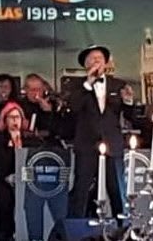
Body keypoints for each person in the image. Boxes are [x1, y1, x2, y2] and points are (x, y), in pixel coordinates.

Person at [67, 45, 135, 219]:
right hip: (86, 146)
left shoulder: (118, 85)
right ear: (86, 65)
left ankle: (122, 228)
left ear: (106, 63)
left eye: (100, 58)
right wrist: (88, 84)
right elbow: (73, 108)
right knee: (81, 191)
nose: (96, 61)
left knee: (118, 191)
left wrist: (128, 102)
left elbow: (130, 116)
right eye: (92, 59)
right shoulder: (77, 86)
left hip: (113, 145)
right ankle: (76, 228)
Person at [0, 102, 38, 241]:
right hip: (5, 179)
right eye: (11, 117)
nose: (15, 120)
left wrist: (19, 143)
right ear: (5, 120)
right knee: (3, 198)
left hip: (26, 180)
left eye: (18, 117)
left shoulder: (30, 139)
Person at [18, 74, 58, 138]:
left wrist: (48, 112)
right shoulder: (19, 106)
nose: (36, 93)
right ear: (26, 90)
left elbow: (56, 129)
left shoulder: (52, 104)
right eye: (33, 90)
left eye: (39, 90)